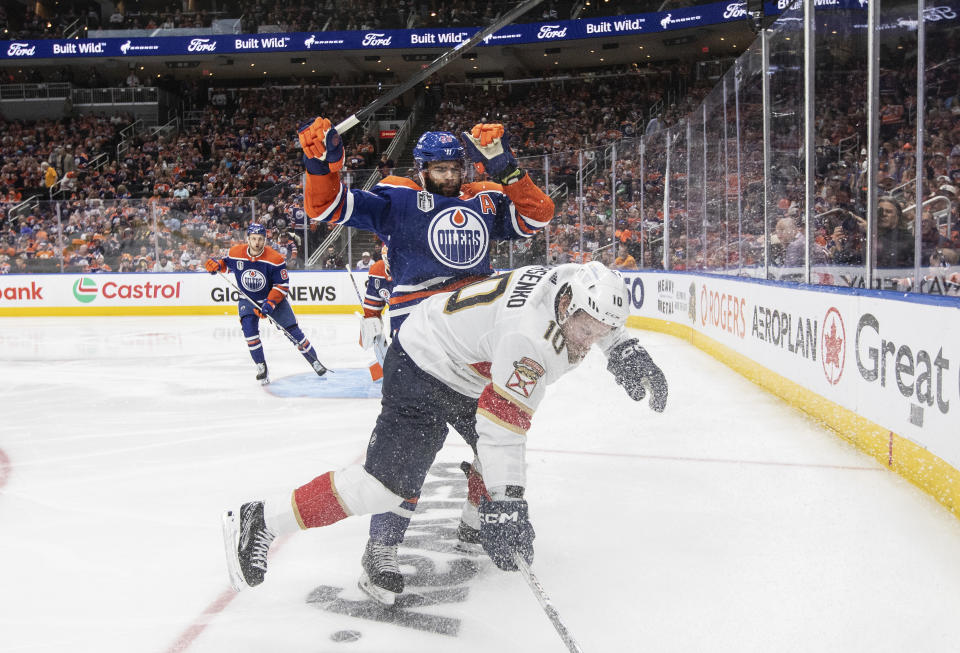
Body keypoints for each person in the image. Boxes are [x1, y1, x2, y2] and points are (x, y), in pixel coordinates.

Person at [222, 261, 668, 602]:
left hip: (464, 361)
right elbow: (502, 433)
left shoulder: (571, 278)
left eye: (600, 332)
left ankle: (476, 525)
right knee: (383, 487)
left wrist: (623, 347)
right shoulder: (528, 342)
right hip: (423, 363)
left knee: (492, 457)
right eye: (587, 330)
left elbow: (599, 311)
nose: (589, 340)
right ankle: (261, 518)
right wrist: (509, 506)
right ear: (568, 306)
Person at [297, 117, 556, 602]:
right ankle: (382, 550)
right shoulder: (396, 200)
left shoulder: (483, 198)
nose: (451, 176)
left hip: (479, 351)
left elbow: (539, 215)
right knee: (403, 463)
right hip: (423, 354)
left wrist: (504, 165)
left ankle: (475, 520)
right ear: (421, 169)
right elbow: (326, 205)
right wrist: (321, 164)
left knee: (493, 446)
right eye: (440, 170)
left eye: (456, 167)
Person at [204, 223, 327, 384]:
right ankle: (261, 366)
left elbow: (282, 285)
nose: (257, 243)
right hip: (248, 299)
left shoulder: (275, 259)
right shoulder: (235, 253)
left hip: (273, 300)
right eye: (254, 239)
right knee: (249, 332)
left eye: (260, 239)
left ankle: (314, 361)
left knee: (293, 332)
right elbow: (228, 265)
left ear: (265, 240)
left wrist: (269, 304)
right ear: (248, 239)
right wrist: (217, 266)